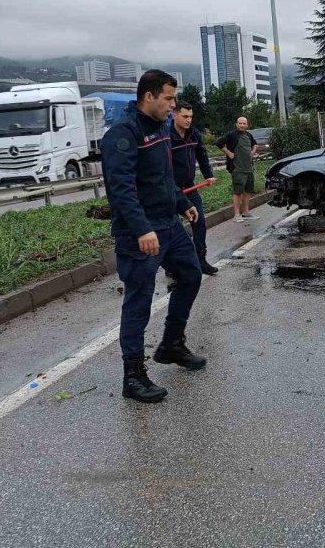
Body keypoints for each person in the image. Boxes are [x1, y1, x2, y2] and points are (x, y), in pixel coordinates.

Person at [102, 70, 206, 404]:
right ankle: (133, 376)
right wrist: (141, 228)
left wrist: (183, 203)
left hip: (168, 224)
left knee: (190, 275)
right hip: (140, 232)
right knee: (139, 299)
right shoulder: (123, 134)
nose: (173, 105)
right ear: (149, 96)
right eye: (168, 99)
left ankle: (171, 344)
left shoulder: (161, 129)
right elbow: (121, 189)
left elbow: (163, 177)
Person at [169, 101, 219, 275]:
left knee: (200, 223)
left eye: (191, 117)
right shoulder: (166, 136)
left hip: (190, 187)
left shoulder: (194, 134)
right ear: (175, 115)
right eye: (185, 116)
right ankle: (172, 265)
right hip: (172, 189)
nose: (188, 120)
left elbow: (202, 156)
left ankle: (201, 260)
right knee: (173, 228)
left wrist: (208, 175)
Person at [219, 117, 258, 223]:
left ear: (247, 125)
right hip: (237, 169)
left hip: (248, 169)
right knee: (238, 192)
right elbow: (219, 143)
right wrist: (229, 153)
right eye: (240, 123)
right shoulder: (231, 135)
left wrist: (253, 152)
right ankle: (236, 215)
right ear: (236, 124)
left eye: (244, 123)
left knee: (248, 191)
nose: (242, 125)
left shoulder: (248, 135)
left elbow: (255, 144)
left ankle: (246, 212)